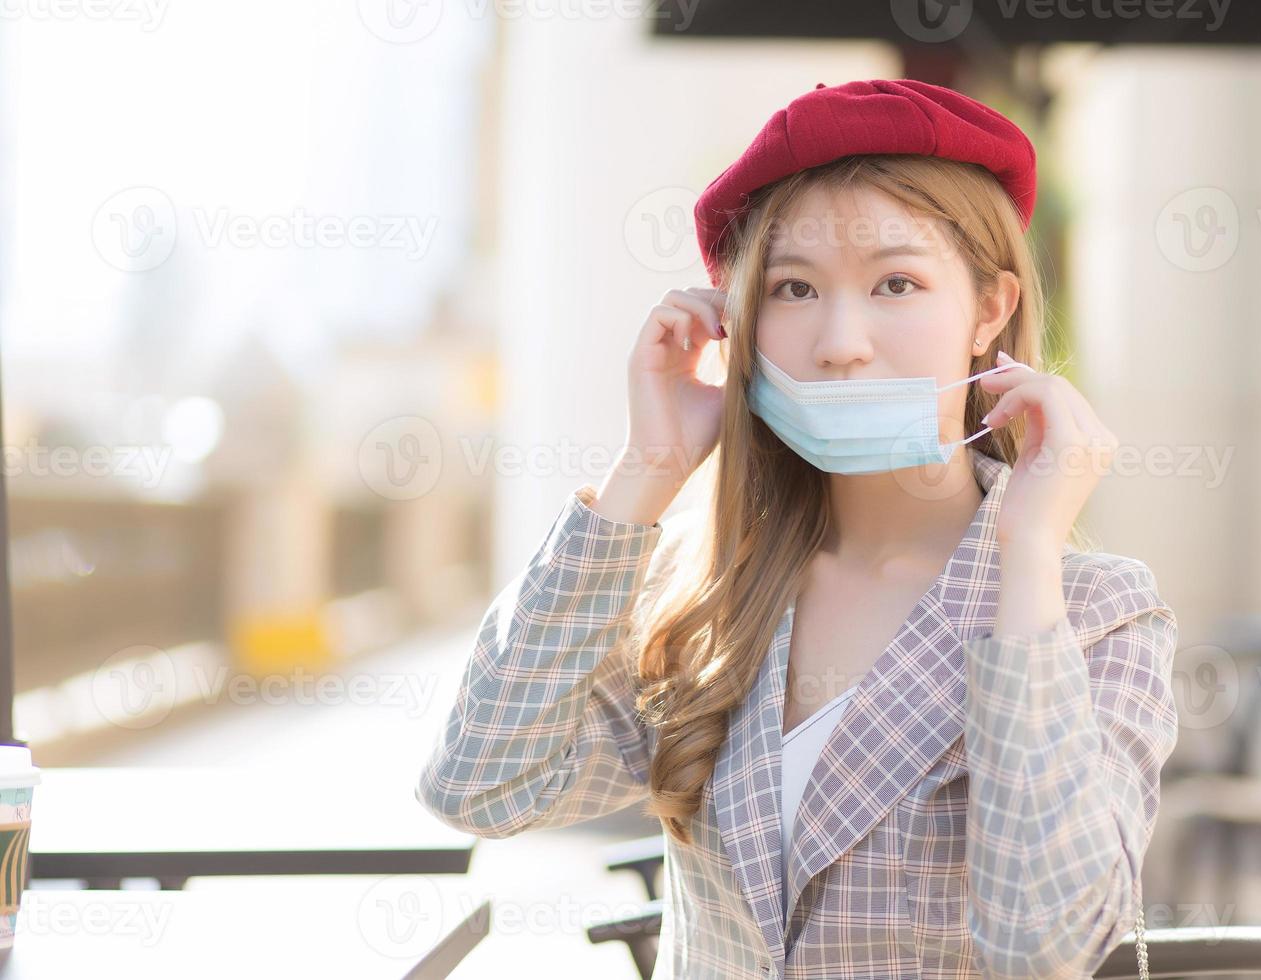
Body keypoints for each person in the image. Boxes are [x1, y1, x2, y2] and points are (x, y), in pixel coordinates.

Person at [416, 78, 1179, 980]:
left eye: (897, 283)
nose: (841, 340)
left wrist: (1028, 559)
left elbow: (1050, 949)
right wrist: (646, 472)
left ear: (989, 309)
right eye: (794, 288)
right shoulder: (715, 598)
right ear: (742, 328)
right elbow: (481, 782)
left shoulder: (1094, 611)